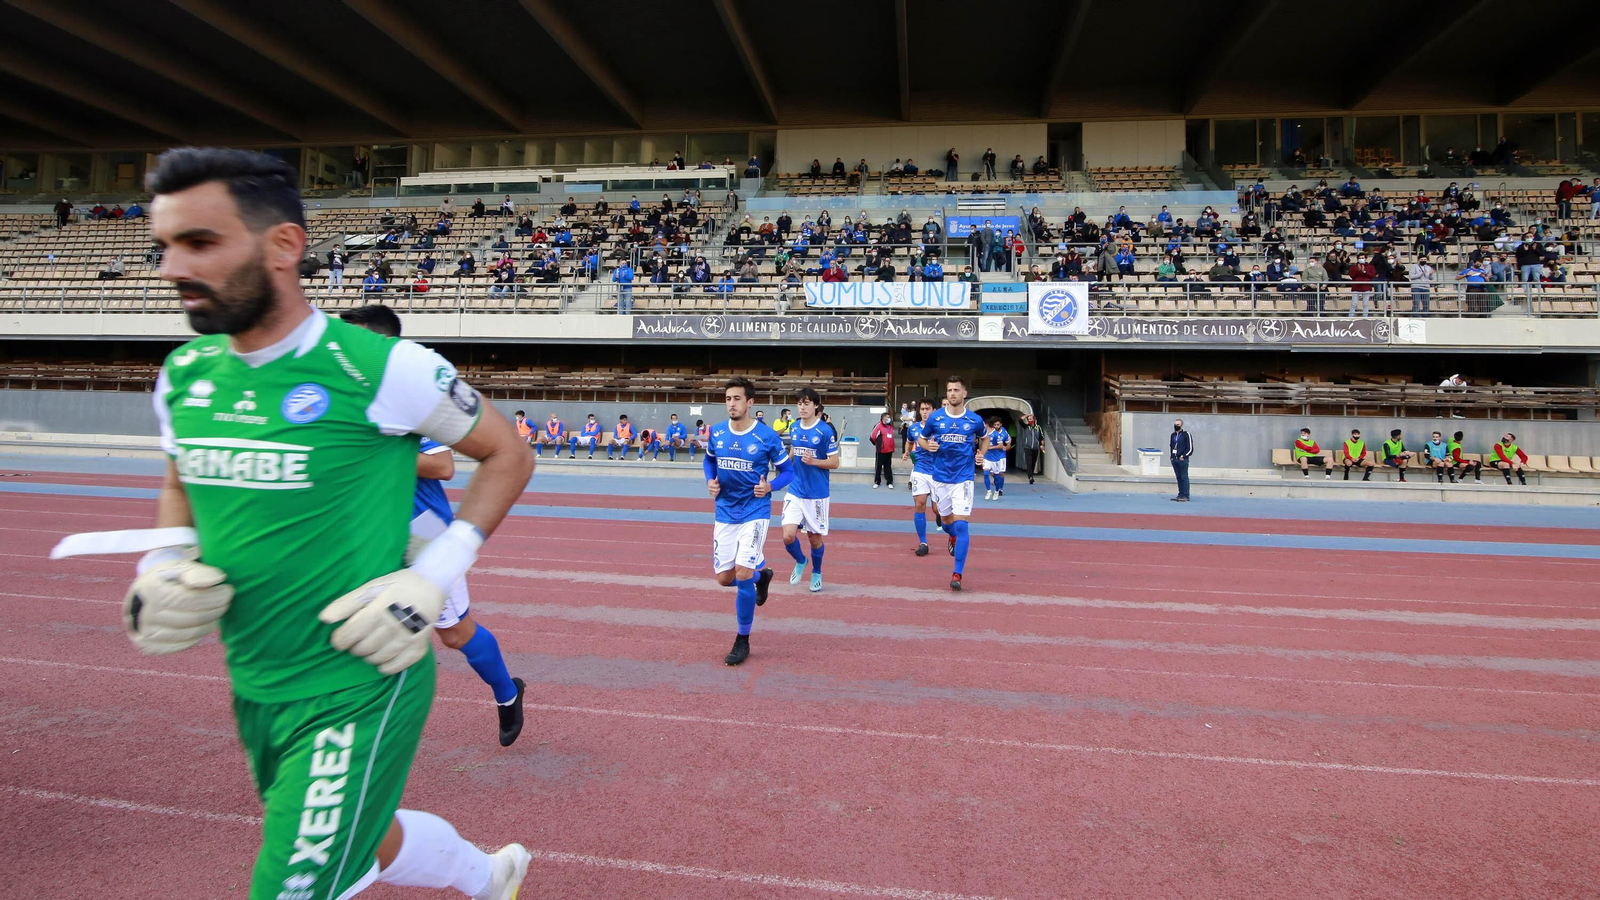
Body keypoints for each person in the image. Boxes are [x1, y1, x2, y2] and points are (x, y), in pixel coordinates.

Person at [92, 148, 534, 899]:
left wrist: (433, 576)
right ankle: (490, 877)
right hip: (256, 679)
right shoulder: (184, 376)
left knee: (296, 881)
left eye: (199, 242)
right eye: (164, 246)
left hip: (360, 682)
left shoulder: (381, 367)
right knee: (367, 839)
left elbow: (508, 453)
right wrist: (161, 564)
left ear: (283, 245)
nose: (172, 268)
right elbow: (179, 479)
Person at [339, 304, 526, 747]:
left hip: (422, 533)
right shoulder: (336, 399)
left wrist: (374, 454)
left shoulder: (408, 394)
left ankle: (507, 692)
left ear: (382, 342)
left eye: (353, 339)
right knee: (351, 625)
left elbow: (443, 467)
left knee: (454, 633)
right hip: (362, 533)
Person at [704, 377, 793, 665]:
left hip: (755, 511)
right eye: (728, 399)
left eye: (737, 398)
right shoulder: (717, 432)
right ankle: (762, 576)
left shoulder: (766, 436)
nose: (731, 404)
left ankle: (742, 640)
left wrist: (770, 487)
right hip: (725, 511)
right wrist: (710, 481)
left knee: (742, 574)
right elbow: (709, 461)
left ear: (750, 402)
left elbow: (788, 472)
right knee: (724, 578)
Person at [916, 375, 987, 590]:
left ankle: (957, 574)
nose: (953, 393)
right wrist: (928, 446)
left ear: (964, 393)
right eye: (949, 390)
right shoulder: (935, 418)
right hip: (940, 478)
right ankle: (952, 535)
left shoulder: (974, 420)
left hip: (963, 478)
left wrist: (981, 454)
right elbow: (921, 438)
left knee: (962, 524)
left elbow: (984, 438)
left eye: (956, 390)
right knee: (947, 522)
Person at [779, 388, 838, 593]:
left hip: (817, 494)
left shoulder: (825, 431)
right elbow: (794, 450)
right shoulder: (794, 427)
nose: (802, 407)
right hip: (795, 490)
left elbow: (835, 462)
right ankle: (800, 560)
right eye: (799, 404)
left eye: (806, 403)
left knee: (814, 539)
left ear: (815, 405)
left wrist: (815, 461)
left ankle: (817, 572)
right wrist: (784, 464)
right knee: (788, 536)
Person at [904, 398, 946, 556]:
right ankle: (923, 543)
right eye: (922, 409)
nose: (924, 412)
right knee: (919, 504)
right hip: (920, 470)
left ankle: (942, 519)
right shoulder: (914, 428)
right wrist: (907, 452)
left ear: (934, 410)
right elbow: (909, 442)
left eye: (927, 409)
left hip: (937, 472)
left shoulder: (941, 429)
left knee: (937, 509)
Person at [981, 417, 1010, 501]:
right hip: (987, 457)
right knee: (986, 473)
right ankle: (989, 491)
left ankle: (998, 490)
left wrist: (990, 447)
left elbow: (1001, 445)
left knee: (998, 475)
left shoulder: (996, 434)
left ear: (987, 425)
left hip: (996, 458)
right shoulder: (984, 434)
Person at [869, 411, 897, 489]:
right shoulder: (878, 426)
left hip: (889, 450)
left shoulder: (890, 427)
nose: (889, 419)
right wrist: (878, 445)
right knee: (878, 467)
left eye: (889, 417)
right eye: (887, 417)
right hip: (881, 451)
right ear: (883, 418)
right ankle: (877, 482)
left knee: (888, 466)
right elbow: (872, 436)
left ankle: (889, 482)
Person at [1169, 418, 1193, 501]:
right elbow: (1171, 446)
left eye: (1178, 424)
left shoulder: (1186, 434)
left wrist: (1184, 456)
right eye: (1175, 424)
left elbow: (1190, 448)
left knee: (1184, 477)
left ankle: (1186, 495)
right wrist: (1172, 457)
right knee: (1178, 477)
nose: (1176, 426)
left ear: (1181, 425)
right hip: (1174, 459)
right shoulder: (1173, 435)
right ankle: (1180, 494)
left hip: (1182, 459)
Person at [1016, 413, 1043, 484]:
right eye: (1029, 419)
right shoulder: (1026, 427)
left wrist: (1042, 444)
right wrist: (1027, 415)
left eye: (1031, 419)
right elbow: (1020, 420)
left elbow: (1041, 437)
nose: (1030, 420)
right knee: (1029, 461)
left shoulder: (1038, 427)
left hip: (1035, 447)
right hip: (1027, 447)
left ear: (1034, 419)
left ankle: (1031, 474)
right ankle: (1030, 477)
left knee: (1033, 462)